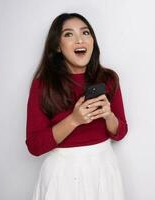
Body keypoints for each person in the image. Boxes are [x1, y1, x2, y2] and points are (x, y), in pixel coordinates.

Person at [25, 13, 128, 200]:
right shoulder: (43, 85)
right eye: (68, 34)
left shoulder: (109, 79)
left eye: (85, 32)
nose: (80, 39)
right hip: (62, 175)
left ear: (93, 41)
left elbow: (120, 132)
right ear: (57, 46)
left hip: (104, 169)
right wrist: (74, 120)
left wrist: (108, 115)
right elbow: (34, 146)